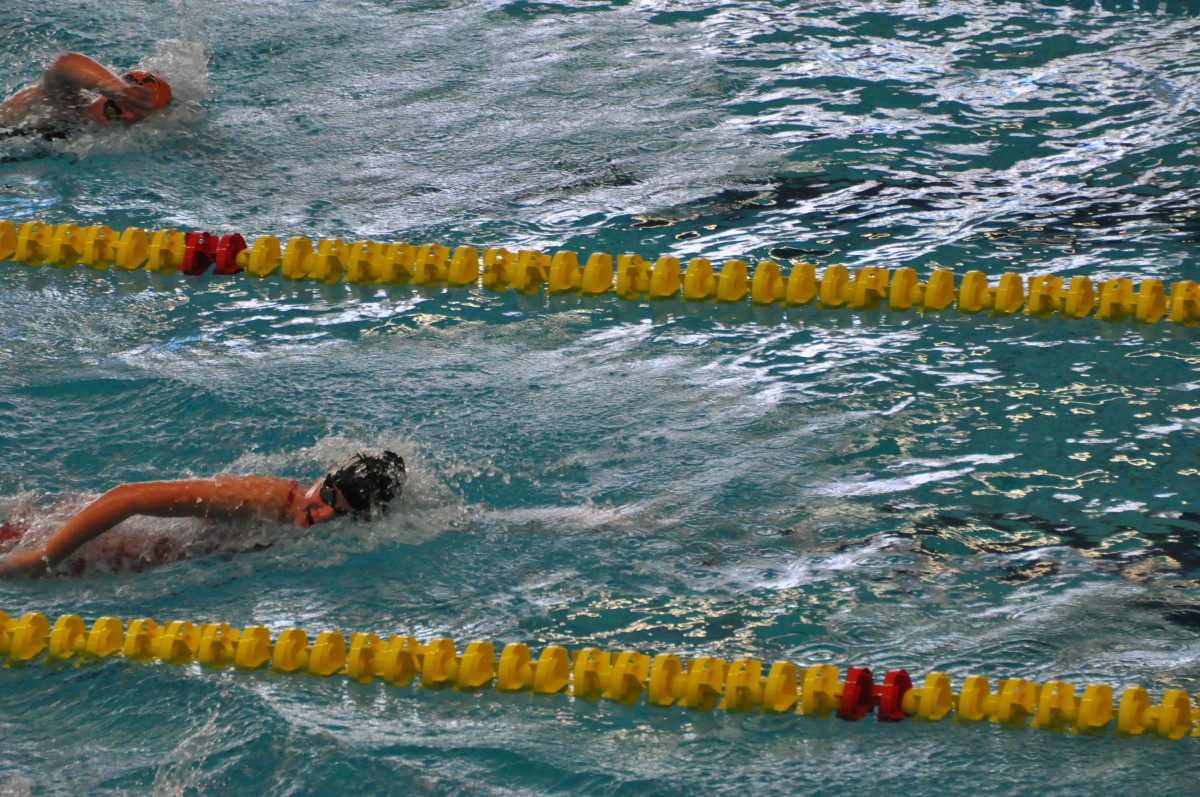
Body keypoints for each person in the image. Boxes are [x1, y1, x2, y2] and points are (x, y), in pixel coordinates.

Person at [0, 450, 406, 579]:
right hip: (66, 543)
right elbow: (128, 497)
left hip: (109, 559)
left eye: (340, 514)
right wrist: (42, 557)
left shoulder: (296, 524)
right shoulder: (260, 499)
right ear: (322, 478)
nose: (322, 513)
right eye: (328, 495)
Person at [0, 51, 172, 138]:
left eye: (131, 123)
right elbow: (64, 62)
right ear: (102, 95)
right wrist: (119, 90)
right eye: (112, 112)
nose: (108, 124)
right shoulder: (64, 103)